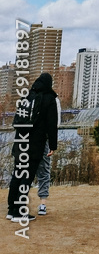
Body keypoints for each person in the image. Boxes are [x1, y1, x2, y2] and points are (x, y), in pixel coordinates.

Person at [6, 72, 59, 223]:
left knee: (17, 175)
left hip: (20, 142)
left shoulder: (27, 97)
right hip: (35, 144)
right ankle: (20, 212)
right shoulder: (49, 99)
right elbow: (51, 125)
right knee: (27, 177)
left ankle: (12, 209)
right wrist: (53, 145)